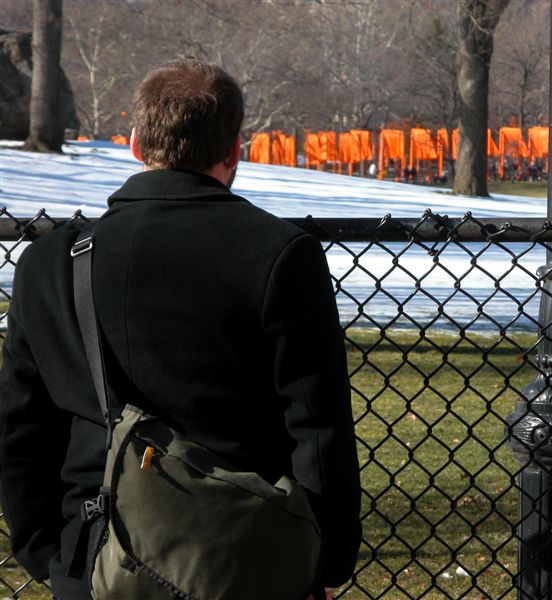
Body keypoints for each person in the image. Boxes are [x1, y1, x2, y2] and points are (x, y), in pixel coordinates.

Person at [0, 59, 361, 600]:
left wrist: (46, 552)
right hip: (241, 558)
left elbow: (22, 429)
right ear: (234, 151)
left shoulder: (49, 263)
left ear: (134, 144)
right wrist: (323, 558)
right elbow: (317, 429)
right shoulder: (279, 257)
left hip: (93, 554)